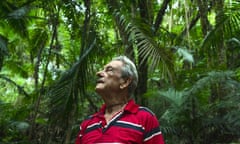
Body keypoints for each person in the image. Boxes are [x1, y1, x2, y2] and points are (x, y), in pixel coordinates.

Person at [75, 56, 165, 144]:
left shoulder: (145, 118)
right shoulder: (87, 123)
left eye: (109, 70)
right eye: (102, 70)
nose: (99, 73)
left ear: (125, 82)